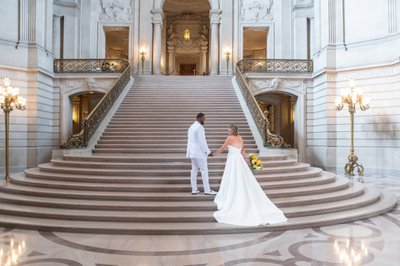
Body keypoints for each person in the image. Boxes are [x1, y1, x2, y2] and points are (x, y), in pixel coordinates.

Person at [211, 124, 287, 226]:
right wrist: (247, 160)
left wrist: (213, 153)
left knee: (233, 178)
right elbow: (243, 150)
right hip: (240, 161)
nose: (227, 130)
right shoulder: (240, 137)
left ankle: (233, 194)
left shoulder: (229, 138)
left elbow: (222, 148)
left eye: (228, 129)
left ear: (232, 130)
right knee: (241, 178)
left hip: (233, 161)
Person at [186, 113, 217, 195]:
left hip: (193, 152)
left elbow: (190, 141)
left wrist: (189, 152)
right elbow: (202, 141)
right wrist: (208, 152)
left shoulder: (191, 126)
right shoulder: (199, 127)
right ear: (199, 118)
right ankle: (207, 190)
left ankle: (194, 189)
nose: (204, 120)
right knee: (204, 171)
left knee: (194, 171)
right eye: (203, 118)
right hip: (199, 153)